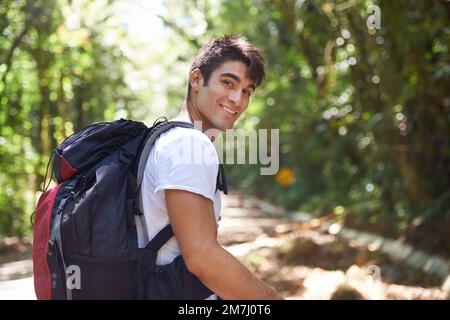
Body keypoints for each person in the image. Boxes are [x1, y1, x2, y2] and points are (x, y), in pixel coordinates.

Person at [136, 34, 283, 300]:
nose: (237, 99)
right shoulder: (189, 143)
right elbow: (202, 257)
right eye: (228, 83)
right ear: (196, 79)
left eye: (247, 91)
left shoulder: (164, 136)